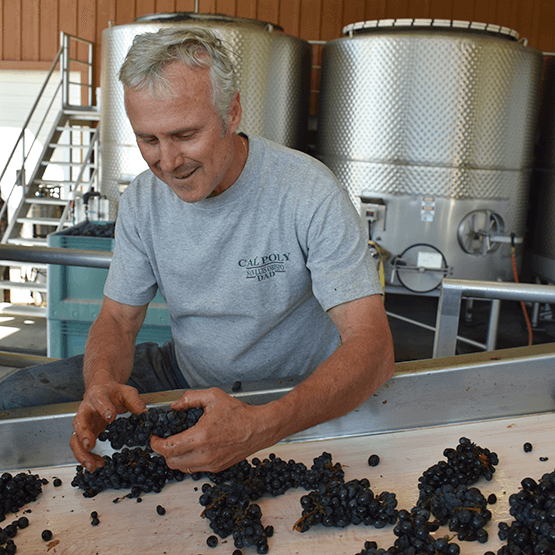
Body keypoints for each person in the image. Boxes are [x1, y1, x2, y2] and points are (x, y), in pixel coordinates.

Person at [2, 27, 395, 475]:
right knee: (16, 395)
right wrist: (101, 382)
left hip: (289, 389)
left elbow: (374, 347)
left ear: (232, 112)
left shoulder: (308, 191)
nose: (168, 163)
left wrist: (264, 425)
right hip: (185, 373)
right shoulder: (142, 202)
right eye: (148, 140)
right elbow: (117, 319)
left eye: (185, 135)